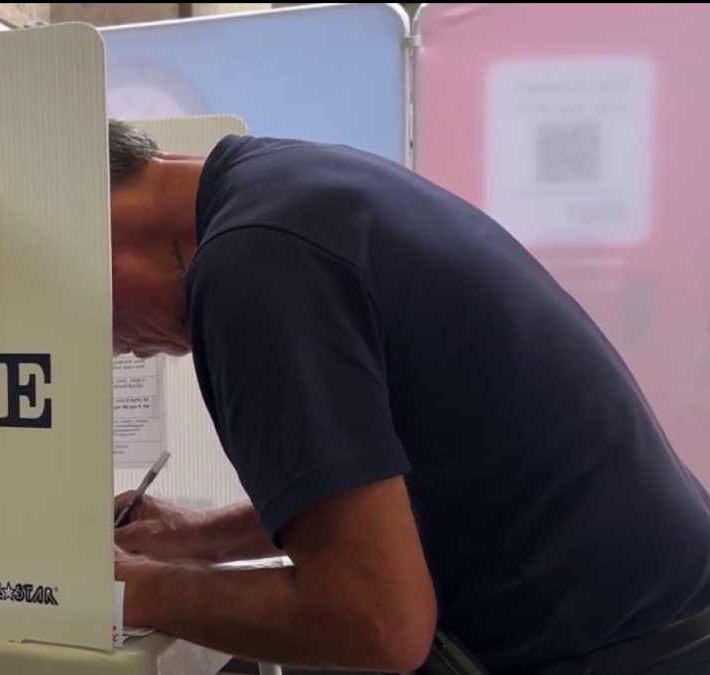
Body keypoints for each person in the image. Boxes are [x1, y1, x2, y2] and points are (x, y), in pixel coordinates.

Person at [106, 119, 710, 675]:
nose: (123, 348)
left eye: (97, 318)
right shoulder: (282, 183)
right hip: (660, 614)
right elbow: (397, 476)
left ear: (84, 217)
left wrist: (134, 588)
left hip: (622, 648)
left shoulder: (254, 264)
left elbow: (375, 621)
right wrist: (200, 536)